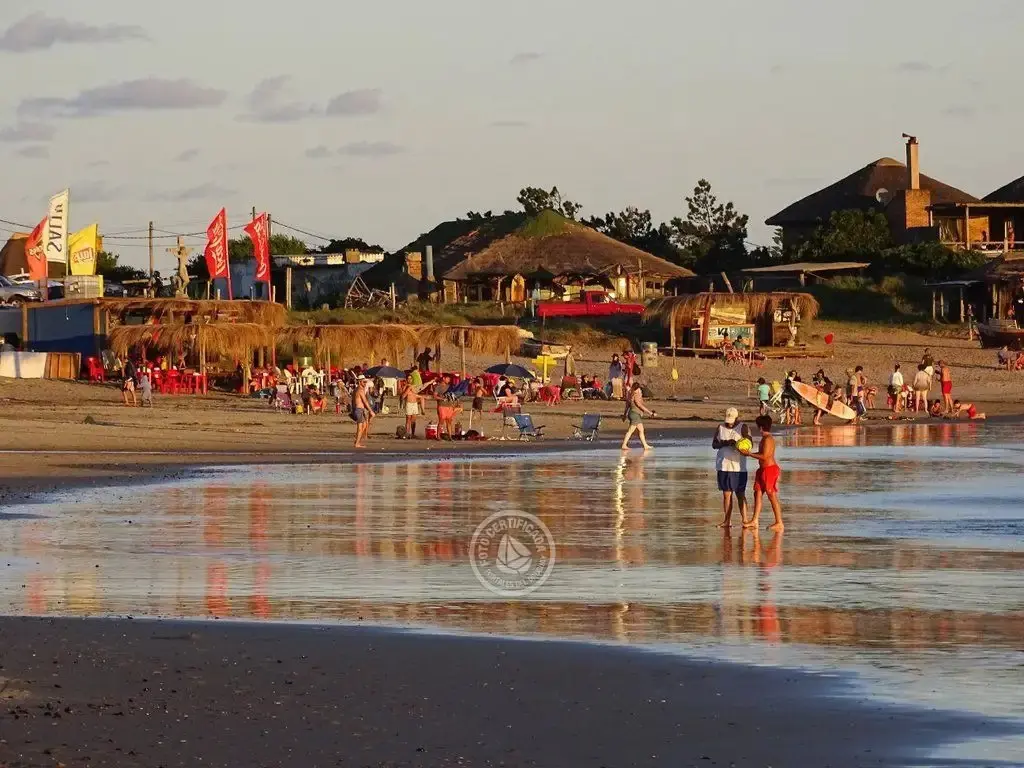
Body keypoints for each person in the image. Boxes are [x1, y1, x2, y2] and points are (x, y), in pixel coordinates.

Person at [739, 414, 783, 532]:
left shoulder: (768, 439)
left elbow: (765, 456)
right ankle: (755, 520)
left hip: (770, 470)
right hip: (762, 470)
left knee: (771, 495)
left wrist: (749, 454)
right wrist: (749, 452)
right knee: (757, 493)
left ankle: (779, 522)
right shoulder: (764, 438)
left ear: (761, 427)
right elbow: (761, 453)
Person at [713, 407, 748, 528]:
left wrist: (738, 444)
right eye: (727, 420)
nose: (728, 423)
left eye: (731, 420)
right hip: (723, 465)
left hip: (739, 467)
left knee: (740, 494)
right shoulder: (720, 427)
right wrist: (725, 443)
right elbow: (714, 444)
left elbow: (749, 442)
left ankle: (745, 520)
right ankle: (727, 521)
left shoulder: (743, 427)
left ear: (737, 418)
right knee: (726, 494)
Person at [620, 381, 656, 451]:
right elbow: (640, 405)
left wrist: (625, 415)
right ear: (637, 389)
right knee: (630, 431)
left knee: (641, 430)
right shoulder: (635, 395)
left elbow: (627, 406)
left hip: (633, 414)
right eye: (639, 389)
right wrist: (650, 413)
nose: (640, 391)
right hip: (635, 414)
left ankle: (645, 445)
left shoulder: (630, 394)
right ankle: (624, 445)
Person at [352, 377, 374, 448]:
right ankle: (357, 444)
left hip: (359, 409)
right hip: (359, 410)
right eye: (363, 382)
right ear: (359, 382)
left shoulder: (357, 389)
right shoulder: (360, 390)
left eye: (365, 382)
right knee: (360, 428)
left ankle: (357, 441)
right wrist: (371, 411)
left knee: (364, 425)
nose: (365, 383)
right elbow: (365, 401)